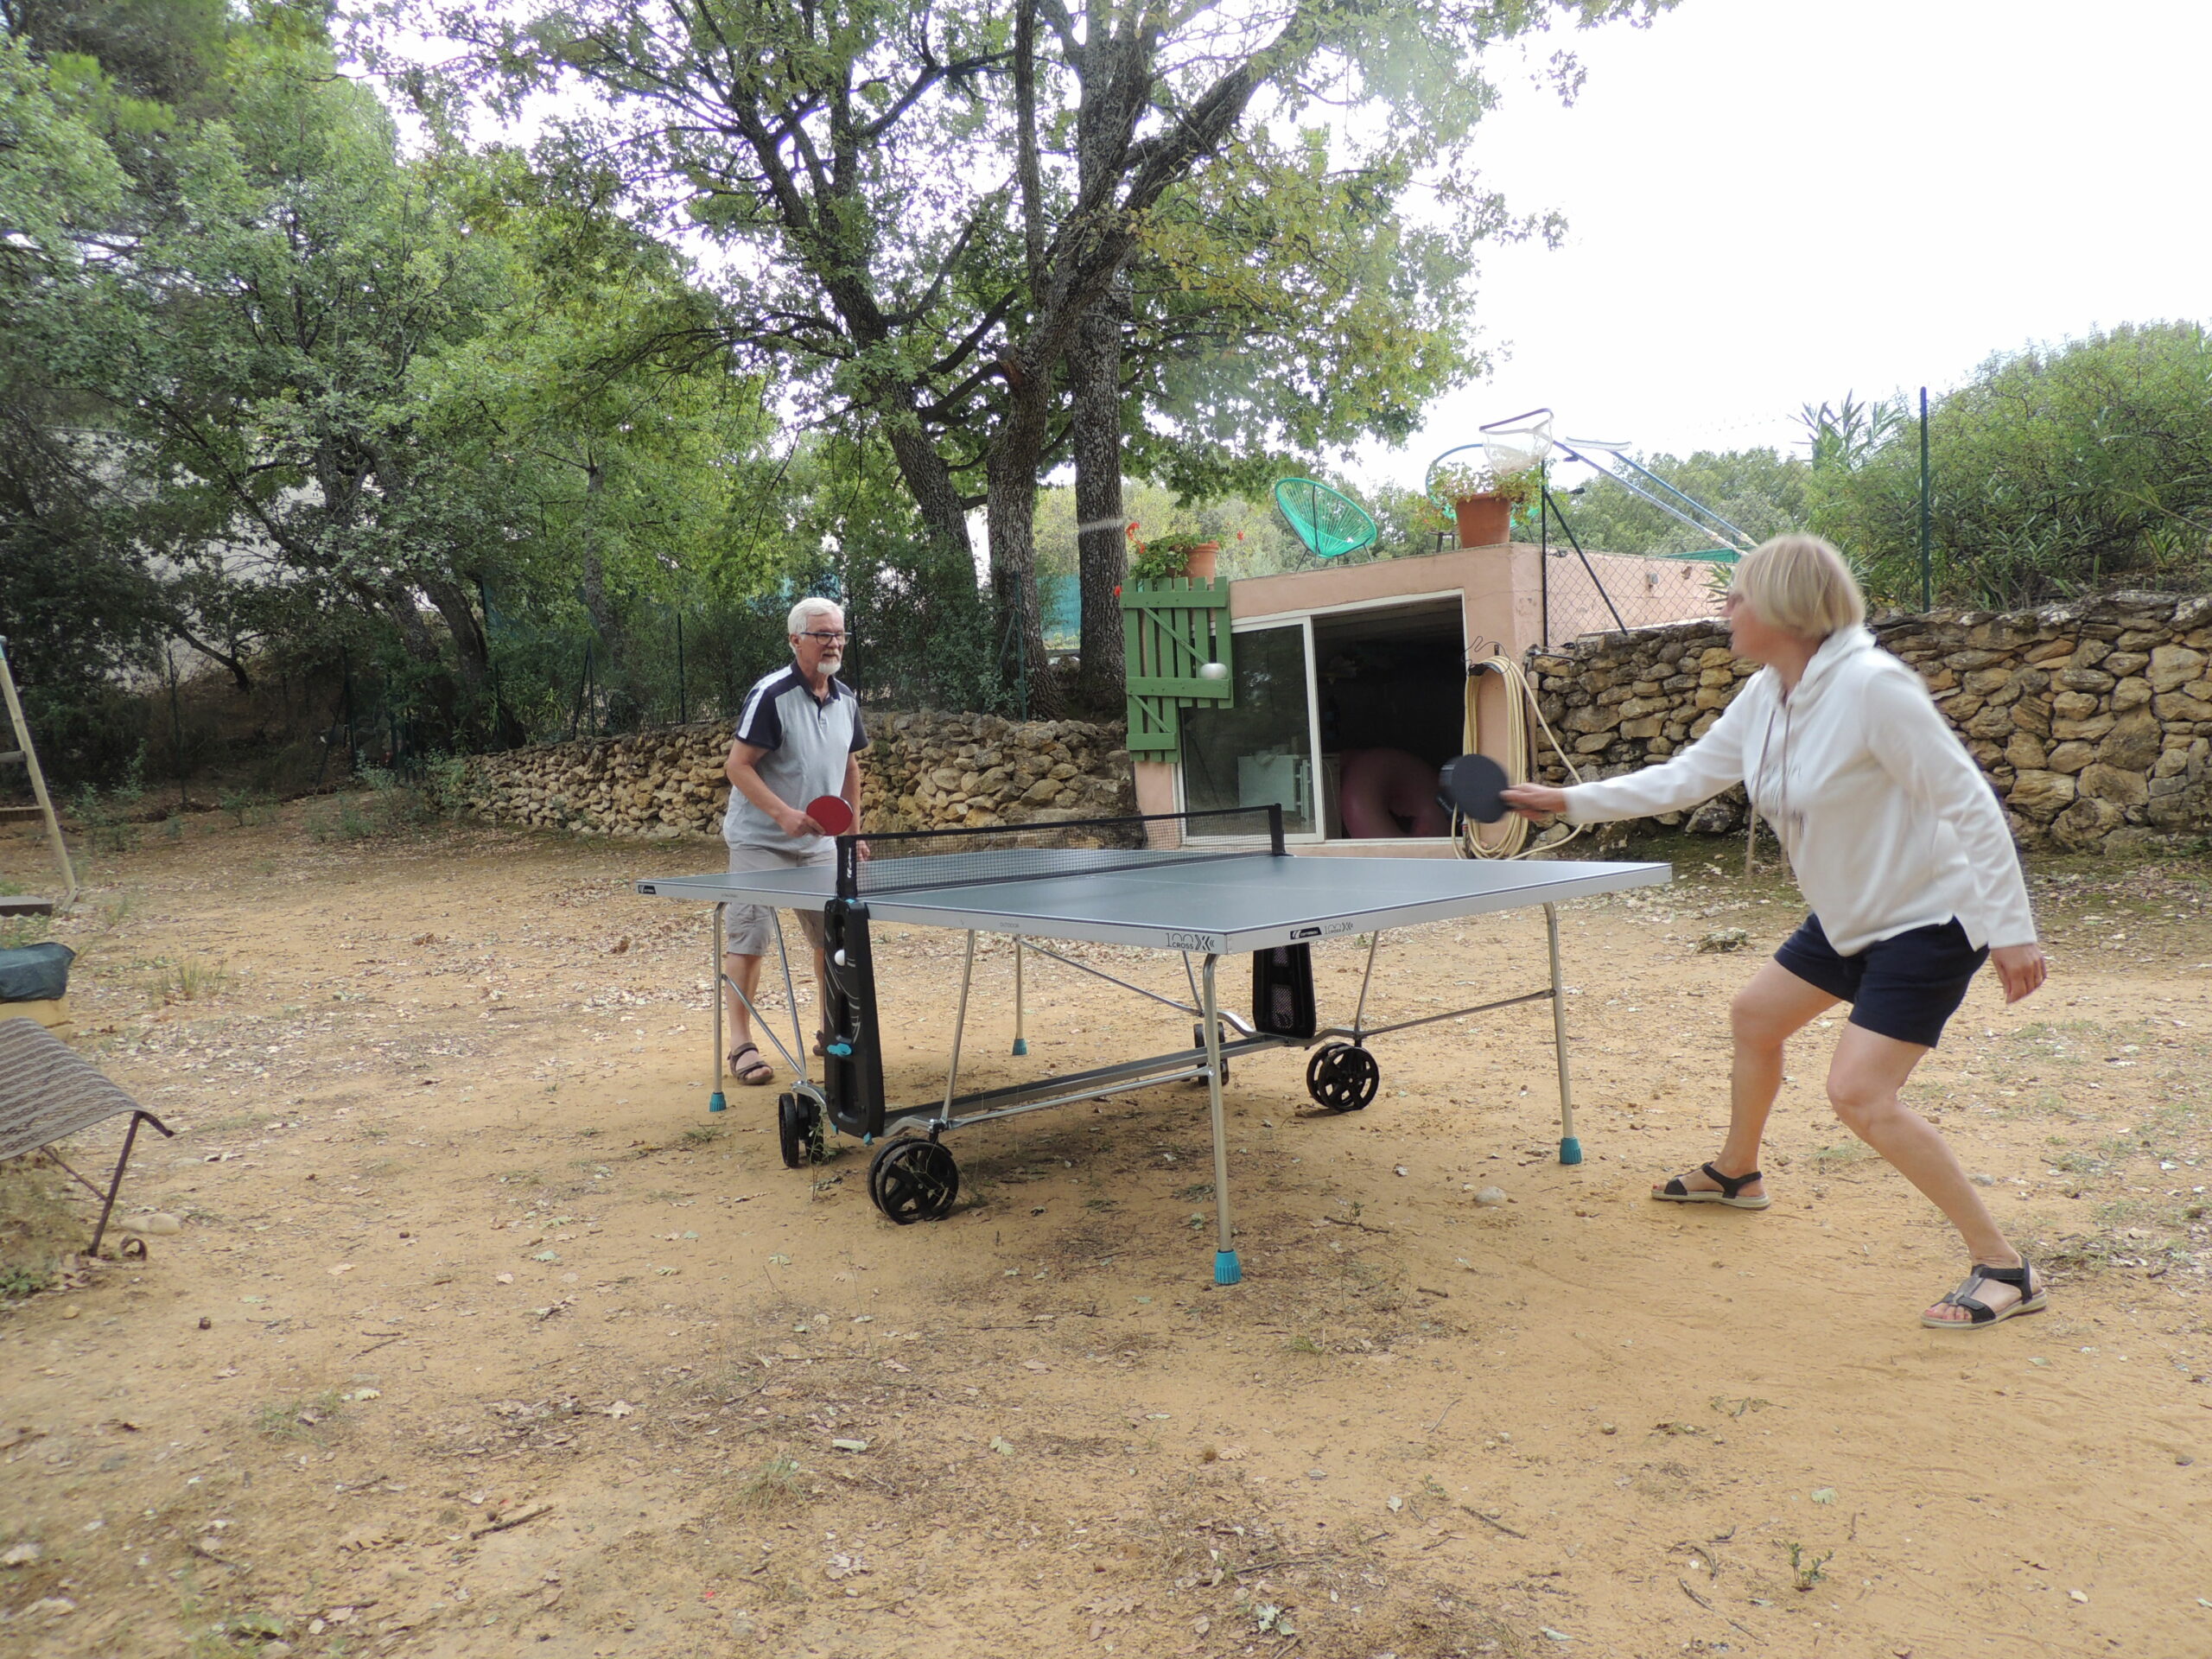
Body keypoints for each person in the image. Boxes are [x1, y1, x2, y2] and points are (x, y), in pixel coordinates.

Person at [1501, 535, 2052, 1330]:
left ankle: (2005, 1266)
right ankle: (1737, 1175)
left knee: (1860, 1095)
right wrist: (1570, 801)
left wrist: (2012, 931)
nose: (1724, 609)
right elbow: (1690, 774)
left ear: (1788, 609)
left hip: (1929, 919)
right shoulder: (1772, 692)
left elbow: (1969, 803)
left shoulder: (1874, 688)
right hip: (1850, 916)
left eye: (1737, 596)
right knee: (1756, 1018)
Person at [719, 598, 867, 1087]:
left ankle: (832, 1029)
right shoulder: (772, 696)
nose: (834, 643)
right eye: (823, 634)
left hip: (820, 843)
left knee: (836, 937)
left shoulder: (845, 698)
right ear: (795, 640)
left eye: (840, 634)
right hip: (761, 840)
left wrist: (851, 834)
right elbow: (737, 766)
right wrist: (782, 814)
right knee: (750, 938)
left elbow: (850, 767)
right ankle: (741, 1043)